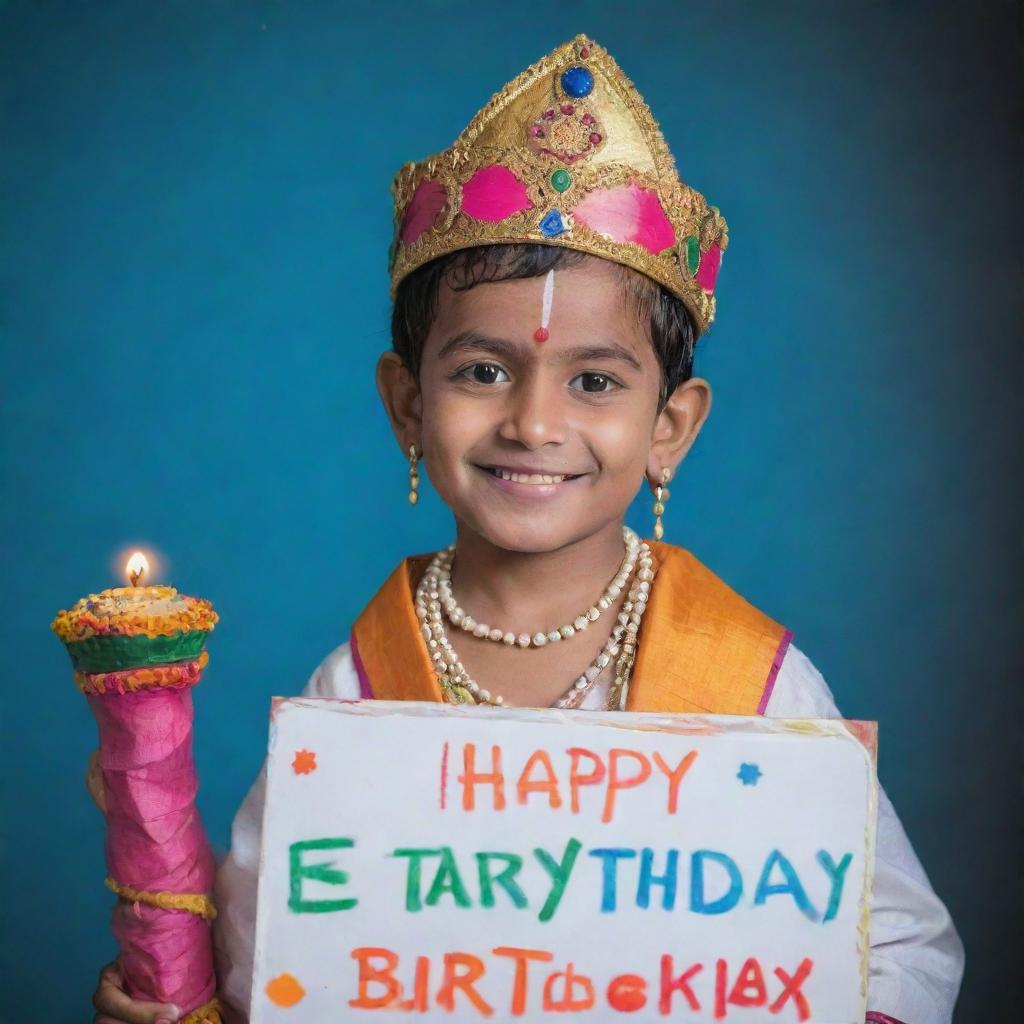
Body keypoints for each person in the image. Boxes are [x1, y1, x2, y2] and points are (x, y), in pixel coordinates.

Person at [91, 34, 963, 1024]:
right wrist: (179, 988)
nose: (533, 423)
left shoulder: (754, 686)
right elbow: (273, 957)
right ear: (406, 406)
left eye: (593, 381)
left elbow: (897, 946)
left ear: (668, 428)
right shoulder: (359, 689)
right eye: (480, 371)